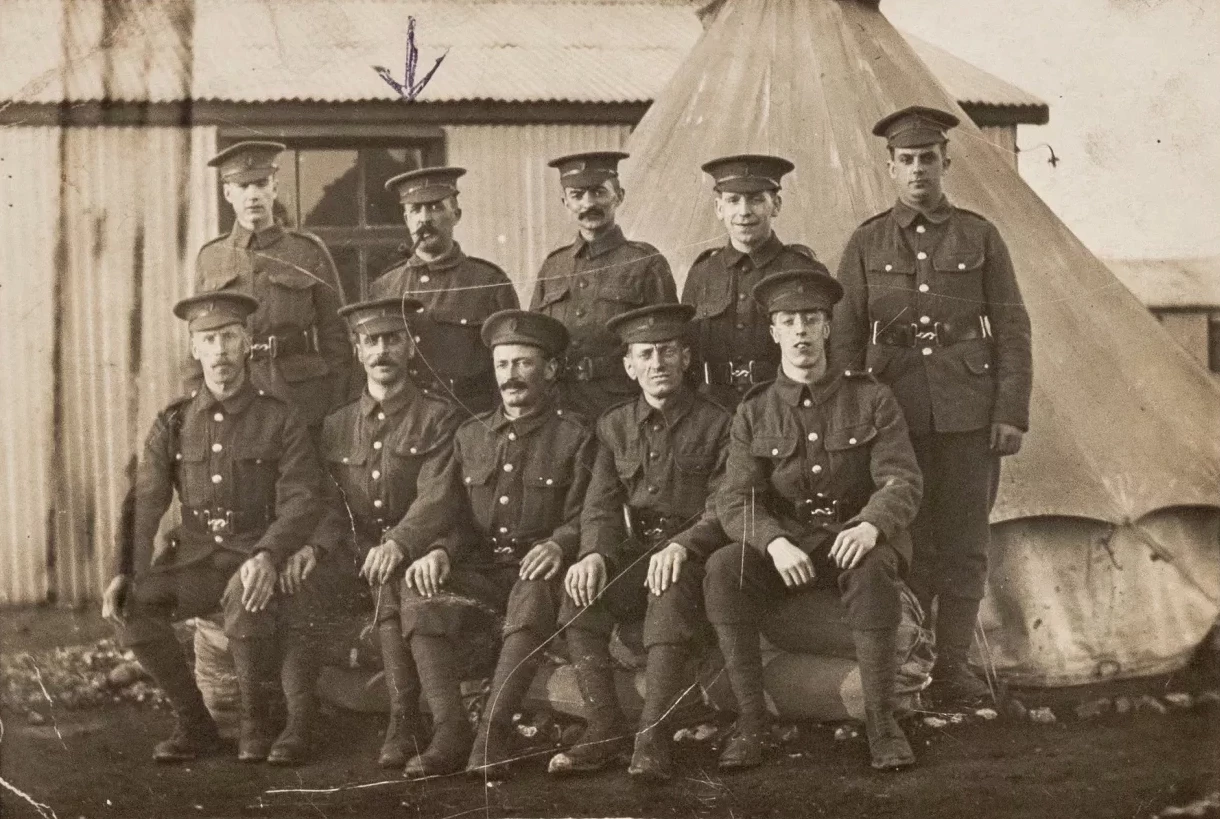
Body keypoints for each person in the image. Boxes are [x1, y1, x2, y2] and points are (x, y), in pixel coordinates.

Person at [831, 105, 1033, 707]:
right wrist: (852, 417)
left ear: (946, 162)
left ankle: (953, 667)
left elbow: (1012, 327)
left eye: (928, 159)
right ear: (889, 168)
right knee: (906, 539)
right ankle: (910, 665)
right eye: (906, 160)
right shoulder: (867, 240)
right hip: (894, 416)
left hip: (970, 413)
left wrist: (1010, 412)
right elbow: (845, 334)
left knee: (966, 540)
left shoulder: (980, 235)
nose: (918, 170)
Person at [706, 268, 923, 772]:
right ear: (774, 333)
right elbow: (737, 499)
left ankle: (882, 724)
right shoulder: (755, 410)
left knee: (873, 568)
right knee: (723, 567)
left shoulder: (871, 397)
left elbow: (903, 480)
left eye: (811, 319)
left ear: (827, 328)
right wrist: (774, 542)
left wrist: (871, 525)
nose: (800, 331)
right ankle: (752, 724)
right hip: (790, 547)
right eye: (788, 321)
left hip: (853, 536)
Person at [102, 292, 322, 765]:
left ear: (247, 345)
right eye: (208, 339)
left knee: (246, 599)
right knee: (135, 607)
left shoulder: (278, 417)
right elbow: (145, 500)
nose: (220, 350)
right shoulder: (174, 422)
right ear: (195, 349)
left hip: (253, 552)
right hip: (196, 558)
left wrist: (269, 552)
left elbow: (301, 497)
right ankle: (195, 725)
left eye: (228, 338)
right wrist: (126, 569)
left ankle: (255, 726)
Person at [548, 304, 731, 781]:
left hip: (695, 555)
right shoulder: (613, 425)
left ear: (686, 358)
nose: (657, 363)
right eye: (645, 354)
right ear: (628, 366)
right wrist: (593, 554)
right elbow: (601, 505)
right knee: (578, 592)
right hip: (634, 554)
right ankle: (605, 726)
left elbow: (726, 504)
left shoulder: (718, 422)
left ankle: (652, 737)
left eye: (667, 351)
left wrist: (685, 546)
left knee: (668, 595)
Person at [437, 310, 599, 779]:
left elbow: (587, 512)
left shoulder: (576, 435)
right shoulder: (471, 435)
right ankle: (446, 731)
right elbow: (457, 517)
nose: (512, 376)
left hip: (541, 573)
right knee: (421, 592)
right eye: (503, 364)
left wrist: (560, 543)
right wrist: (441, 550)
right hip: (486, 571)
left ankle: (493, 733)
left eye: (524, 364)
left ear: (549, 370)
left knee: (530, 590)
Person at [307, 297, 465, 770]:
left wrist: (399, 543)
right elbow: (328, 504)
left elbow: (437, 498)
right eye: (370, 341)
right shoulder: (336, 426)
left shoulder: (439, 417)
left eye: (392, 339)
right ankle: (291, 717)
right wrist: (327, 550)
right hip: (353, 554)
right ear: (357, 351)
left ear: (411, 346)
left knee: (395, 578)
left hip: (411, 547)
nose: (382, 351)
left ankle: (403, 719)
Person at [195, 141, 349, 429]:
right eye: (242, 186)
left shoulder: (307, 251)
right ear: (228, 192)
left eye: (261, 183)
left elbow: (336, 335)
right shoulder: (211, 258)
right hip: (236, 394)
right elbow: (198, 338)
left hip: (302, 398)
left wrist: (337, 407)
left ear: (274, 188)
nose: (253, 194)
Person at [530, 151, 677, 417]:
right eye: (577, 195)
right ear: (565, 202)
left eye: (599, 192)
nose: (588, 204)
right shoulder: (553, 266)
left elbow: (669, 344)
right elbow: (534, 342)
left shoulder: (645, 263)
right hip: (560, 408)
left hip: (622, 408)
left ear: (618, 196)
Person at [370, 167, 519, 415]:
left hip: (469, 417)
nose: (425, 219)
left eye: (436, 207)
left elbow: (512, 361)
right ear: (406, 219)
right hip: (405, 420)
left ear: (456, 214)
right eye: (415, 210)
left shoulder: (489, 281)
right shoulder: (385, 287)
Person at [682, 154, 823, 407]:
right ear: (719, 209)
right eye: (733, 200)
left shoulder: (804, 271)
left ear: (776, 205)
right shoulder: (702, 274)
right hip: (714, 409)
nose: (744, 212)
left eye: (756, 200)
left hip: (782, 408)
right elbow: (687, 353)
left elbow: (827, 353)